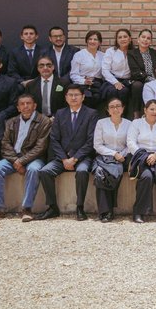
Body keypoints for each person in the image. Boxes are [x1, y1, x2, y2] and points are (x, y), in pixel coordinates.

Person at [0, 93, 51, 222]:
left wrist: (22, 161)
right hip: (13, 158)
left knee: (34, 170)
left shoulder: (44, 121)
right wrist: (15, 160)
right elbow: (5, 143)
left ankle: (26, 209)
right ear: (18, 108)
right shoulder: (11, 122)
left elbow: (40, 147)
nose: (26, 106)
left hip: (34, 158)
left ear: (35, 105)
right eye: (22, 104)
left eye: (28, 103)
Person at [36, 83, 97, 221]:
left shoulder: (91, 113)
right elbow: (54, 139)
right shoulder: (60, 113)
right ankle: (52, 208)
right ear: (66, 97)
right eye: (70, 95)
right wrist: (64, 159)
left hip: (82, 157)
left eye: (77, 95)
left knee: (82, 172)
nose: (73, 97)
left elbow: (91, 141)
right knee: (45, 171)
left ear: (83, 97)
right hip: (62, 158)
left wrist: (75, 159)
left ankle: (80, 207)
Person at [126, 99, 156, 223]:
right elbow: (130, 142)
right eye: (151, 109)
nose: (154, 112)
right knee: (147, 177)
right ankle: (139, 212)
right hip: (140, 156)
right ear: (145, 110)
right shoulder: (136, 123)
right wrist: (145, 156)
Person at [92, 96, 131, 222]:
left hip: (122, 159)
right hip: (104, 157)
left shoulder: (129, 124)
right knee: (100, 174)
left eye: (118, 106)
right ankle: (105, 211)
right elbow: (97, 145)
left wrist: (122, 155)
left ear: (123, 108)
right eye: (112, 107)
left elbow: (130, 144)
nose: (115, 109)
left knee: (113, 174)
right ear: (108, 110)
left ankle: (109, 210)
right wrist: (114, 154)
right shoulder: (101, 123)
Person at [126, 29, 156, 118]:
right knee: (137, 86)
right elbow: (135, 72)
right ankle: (136, 115)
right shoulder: (131, 53)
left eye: (148, 38)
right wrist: (150, 79)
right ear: (138, 39)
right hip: (140, 80)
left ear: (151, 41)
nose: (145, 40)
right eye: (143, 37)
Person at [69, 30, 107, 108]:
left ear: (100, 42)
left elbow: (106, 72)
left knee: (99, 96)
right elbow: (73, 74)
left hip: (97, 84)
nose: (92, 41)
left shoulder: (103, 56)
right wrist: (84, 81)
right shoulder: (79, 55)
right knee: (87, 96)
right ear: (86, 41)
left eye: (95, 39)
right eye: (90, 39)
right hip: (82, 83)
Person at [100, 28, 134, 110]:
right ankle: (110, 114)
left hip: (127, 81)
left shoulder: (134, 52)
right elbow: (105, 70)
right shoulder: (111, 51)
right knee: (112, 91)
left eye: (125, 37)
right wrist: (115, 82)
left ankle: (123, 116)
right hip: (112, 79)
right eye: (120, 37)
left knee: (124, 91)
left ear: (130, 39)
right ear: (116, 40)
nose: (123, 39)